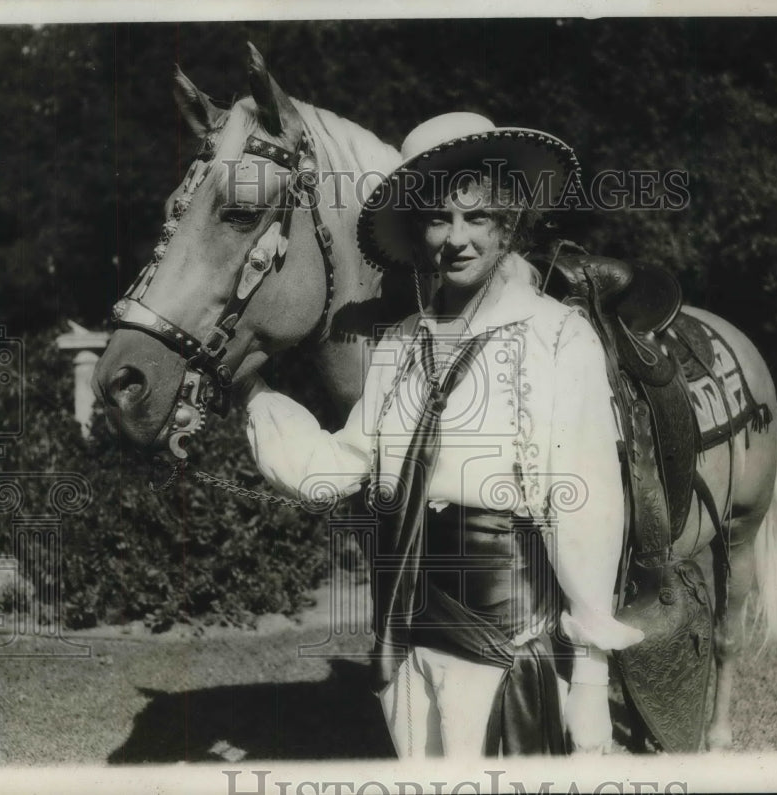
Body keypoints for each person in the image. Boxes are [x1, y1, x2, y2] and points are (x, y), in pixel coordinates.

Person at [245, 112, 643, 758]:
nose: (456, 238)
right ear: (415, 231)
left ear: (508, 223)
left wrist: (592, 672)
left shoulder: (556, 337)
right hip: (410, 631)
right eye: (437, 218)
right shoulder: (401, 346)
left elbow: (588, 503)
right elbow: (338, 464)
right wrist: (255, 397)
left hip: (502, 642)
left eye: (476, 217)